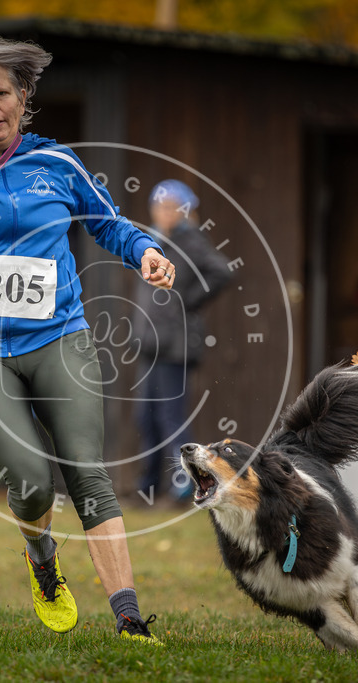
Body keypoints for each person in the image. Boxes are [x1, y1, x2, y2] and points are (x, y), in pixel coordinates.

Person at [0, 36, 176, 643]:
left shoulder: (58, 164)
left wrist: (146, 250)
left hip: (58, 338)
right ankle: (42, 559)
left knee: (89, 473)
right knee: (31, 478)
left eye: (1, 93)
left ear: (24, 98)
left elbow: (109, 226)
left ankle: (129, 619)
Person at [132, 180, 234, 504]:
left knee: (170, 419)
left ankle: (188, 487)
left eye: (170, 206)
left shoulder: (190, 240)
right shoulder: (155, 241)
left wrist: (186, 301)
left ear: (184, 210)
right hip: (152, 344)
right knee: (146, 418)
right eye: (158, 206)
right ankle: (148, 488)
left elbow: (222, 272)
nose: (163, 212)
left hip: (175, 346)